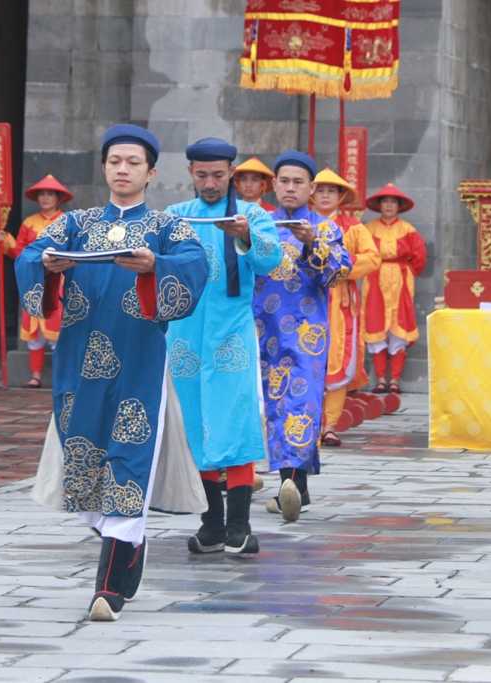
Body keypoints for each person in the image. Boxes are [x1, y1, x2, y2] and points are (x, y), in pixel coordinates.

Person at [19, 124, 209, 621]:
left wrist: (154, 266)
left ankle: (106, 592)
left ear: (151, 171)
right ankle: (130, 545)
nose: (123, 170)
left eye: (133, 162)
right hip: (79, 366)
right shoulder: (74, 223)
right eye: (115, 161)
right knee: (83, 467)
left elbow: (194, 266)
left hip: (140, 365)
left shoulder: (169, 228)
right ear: (104, 167)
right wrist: (49, 266)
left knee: (128, 462)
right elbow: (30, 255)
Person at [165, 138, 282, 555]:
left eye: (218, 175)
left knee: (234, 421)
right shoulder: (178, 216)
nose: (210, 183)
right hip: (184, 336)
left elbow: (272, 260)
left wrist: (247, 235)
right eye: (202, 175)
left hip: (231, 335)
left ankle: (239, 526)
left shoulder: (250, 213)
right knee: (193, 425)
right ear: (191, 174)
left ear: (231, 172)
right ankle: (210, 523)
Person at [255, 150, 351, 522]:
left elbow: (338, 272)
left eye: (299, 182)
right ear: (274, 184)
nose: (291, 188)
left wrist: (312, 244)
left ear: (311, 187)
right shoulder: (261, 224)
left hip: (307, 334)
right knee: (271, 405)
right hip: (262, 329)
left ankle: (290, 484)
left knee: (301, 402)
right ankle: (297, 488)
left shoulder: (326, 228)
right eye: (284, 181)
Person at [311, 168, 381, 447]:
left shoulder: (353, 226)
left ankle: (329, 426)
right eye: (320, 190)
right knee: (308, 361)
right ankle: (309, 424)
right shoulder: (301, 223)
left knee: (339, 363)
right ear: (311, 193)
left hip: (340, 305)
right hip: (307, 300)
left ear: (341, 197)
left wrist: (338, 265)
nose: (325, 196)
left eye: (332, 191)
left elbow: (372, 258)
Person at [0, 175, 73, 388]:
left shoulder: (68, 221)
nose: (45, 198)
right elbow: (20, 252)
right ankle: (35, 376)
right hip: (33, 281)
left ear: (58, 197)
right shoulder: (29, 223)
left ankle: (60, 376)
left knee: (58, 333)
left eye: (49, 194)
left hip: (60, 282)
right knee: (35, 334)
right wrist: (6, 241)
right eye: (41, 194)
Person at [362, 184, 426, 394]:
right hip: (375, 279)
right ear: (379, 205)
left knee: (399, 327)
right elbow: (361, 252)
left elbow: (419, 257)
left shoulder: (407, 229)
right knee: (376, 325)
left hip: (401, 280)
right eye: (385, 202)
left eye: (393, 202)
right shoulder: (369, 228)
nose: (389, 205)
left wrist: (405, 271)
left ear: (399, 206)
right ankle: (381, 380)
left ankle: (395, 381)